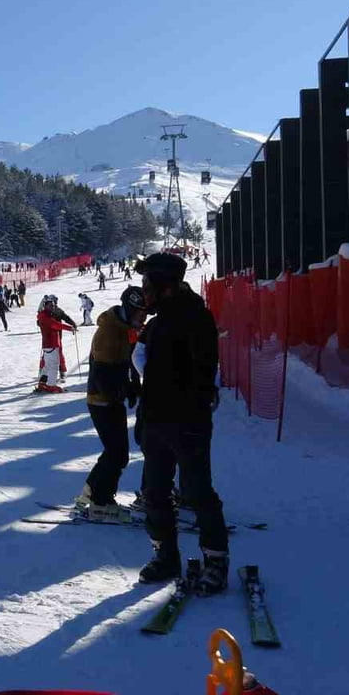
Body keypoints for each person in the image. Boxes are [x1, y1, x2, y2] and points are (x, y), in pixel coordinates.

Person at [134, 252, 229, 594]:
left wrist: (193, 415)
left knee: (196, 491)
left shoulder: (195, 318)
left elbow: (204, 374)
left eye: (147, 284)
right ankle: (166, 556)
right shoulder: (156, 322)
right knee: (155, 492)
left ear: (164, 286)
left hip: (186, 422)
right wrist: (144, 418)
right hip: (157, 421)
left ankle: (215, 559)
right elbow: (146, 371)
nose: (143, 291)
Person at [75, 286, 147, 521]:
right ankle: (101, 502)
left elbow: (129, 360)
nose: (143, 319)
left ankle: (92, 490)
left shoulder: (124, 328)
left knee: (114, 452)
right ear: (129, 309)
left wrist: (133, 385)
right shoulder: (109, 332)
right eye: (140, 314)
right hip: (102, 400)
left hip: (110, 399)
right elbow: (103, 374)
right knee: (118, 454)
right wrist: (122, 391)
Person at [35, 296, 76, 392]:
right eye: (50, 305)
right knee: (54, 364)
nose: (53, 307)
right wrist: (70, 328)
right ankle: (51, 385)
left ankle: (42, 383)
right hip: (51, 344)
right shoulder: (45, 316)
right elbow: (55, 324)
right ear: (45, 306)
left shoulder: (46, 315)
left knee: (48, 365)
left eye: (53, 305)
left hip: (48, 344)